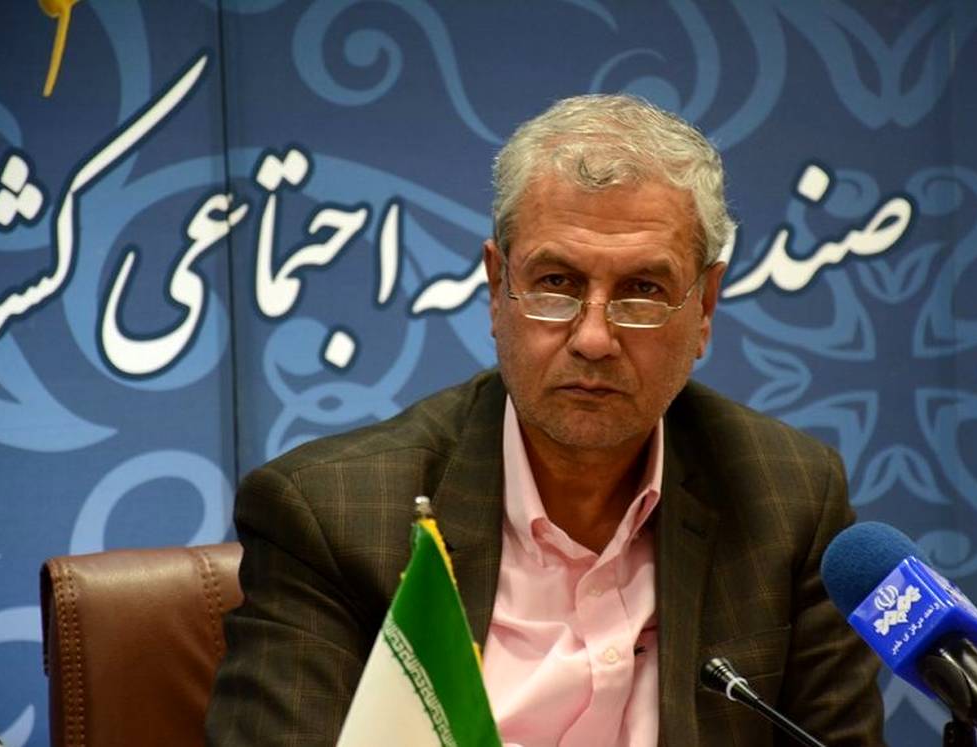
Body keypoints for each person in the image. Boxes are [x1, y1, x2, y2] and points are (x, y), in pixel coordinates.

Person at [205, 95, 884, 746]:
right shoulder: (333, 518)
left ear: (704, 307)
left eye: (642, 291)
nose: (593, 337)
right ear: (497, 287)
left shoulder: (787, 499)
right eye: (556, 283)